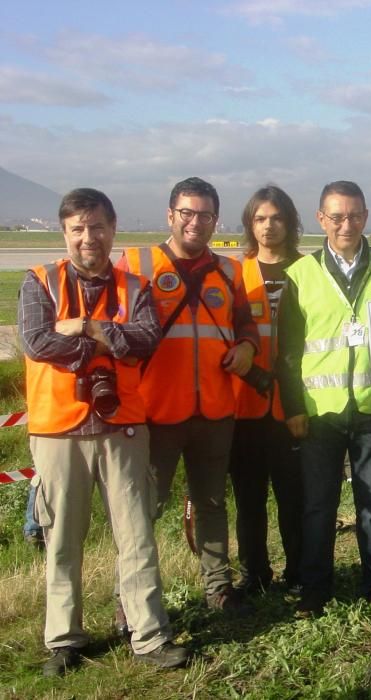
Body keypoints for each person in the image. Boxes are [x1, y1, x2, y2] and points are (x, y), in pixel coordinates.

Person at [19, 188, 188, 676]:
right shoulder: (39, 282)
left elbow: (147, 339)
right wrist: (108, 348)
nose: (88, 237)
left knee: (136, 537)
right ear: (64, 233)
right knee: (62, 539)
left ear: (113, 229)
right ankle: (65, 639)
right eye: (78, 228)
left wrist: (90, 330)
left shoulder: (136, 286)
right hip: (59, 430)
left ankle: (149, 635)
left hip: (123, 427)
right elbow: (36, 341)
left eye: (97, 227)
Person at [118, 177, 259, 612]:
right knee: (145, 511)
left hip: (215, 409)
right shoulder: (136, 263)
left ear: (216, 220)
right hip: (155, 412)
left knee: (212, 503)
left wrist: (248, 349)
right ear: (170, 215)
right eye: (187, 213)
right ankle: (132, 602)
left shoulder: (229, 271)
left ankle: (218, 588)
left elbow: (245, 325)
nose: (196, 222)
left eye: (205, 215)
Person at [277, 180, 371, 619]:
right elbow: (289, 350)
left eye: (354, 215)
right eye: (336, 217)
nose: (346, 224)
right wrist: (294, 408)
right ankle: (315, 589)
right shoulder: (300, 275)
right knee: (319, 505)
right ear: (321, 220)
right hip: (320, 412)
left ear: (366, 217)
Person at [229, 185, 304, 594]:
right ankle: (254, 574)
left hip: (293, 405)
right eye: (260, 218)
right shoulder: (235, 273)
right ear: (250, 224)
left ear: (290, 223)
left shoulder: (309, 271)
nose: (269, 225)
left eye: (277, 217)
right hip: (246, 406)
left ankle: (298, 572)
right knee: (249, 500)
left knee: (294, 497)